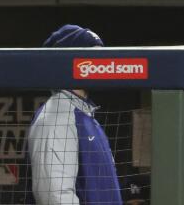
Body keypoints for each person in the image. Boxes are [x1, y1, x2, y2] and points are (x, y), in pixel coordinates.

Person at [29, 24, 123, 205]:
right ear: (68, 61)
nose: (101, 65)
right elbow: (54, 197)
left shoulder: (85, 115)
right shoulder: (57, 115)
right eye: (93, 57)